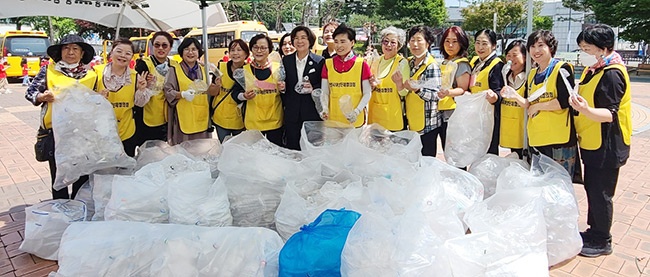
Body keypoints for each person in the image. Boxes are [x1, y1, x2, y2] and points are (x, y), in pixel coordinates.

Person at [570, 24, 631, 257]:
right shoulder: (595, 69)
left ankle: (603, 239)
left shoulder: (612, 74)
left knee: (601, 192)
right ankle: (593, 231)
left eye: (588, 47)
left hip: (608, 145)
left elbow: (609, 114)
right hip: (593, 141)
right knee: (593, 188)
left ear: (604, 48)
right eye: (582, 48)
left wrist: (585, 110)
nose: (584, 52)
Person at [25, 34, 97, 199]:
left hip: (82, 134)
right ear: (60, 52)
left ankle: (79, 207)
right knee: (58, 177)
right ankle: (61, 209)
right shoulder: (48, 71)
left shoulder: (91, 75)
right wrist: (42, 97)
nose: (70, 52)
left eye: (75, 48)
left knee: (82, 175)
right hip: (56, 134)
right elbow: (30, 93)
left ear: (82, 53)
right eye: (66, 48)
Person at [94, 38, 148, 157]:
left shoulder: (135, 76)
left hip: (126, 131)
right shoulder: (96, 73)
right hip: (101, 132)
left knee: (124, 170)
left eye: (128, 53)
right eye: (119, 51)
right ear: (111, 52)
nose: (123, 55)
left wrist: (142, 89)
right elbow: (85, 100)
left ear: (131, 57)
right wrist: (97, 98)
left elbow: (140, 103)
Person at [231, 34, 285, 146]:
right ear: (251, 50)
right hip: (253, 124)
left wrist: (283, 89)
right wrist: (244, 96)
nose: (259, 51)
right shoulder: (244, 71)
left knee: (275, 156)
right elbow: (235, 93)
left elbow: (287, 94)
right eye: (255, 47)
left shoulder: (278, 68)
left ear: (270, 50)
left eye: (263, 48)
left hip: (275, 122)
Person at [164, 37, 218, 145]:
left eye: (194, 49)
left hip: (202, 118)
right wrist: (182, 94)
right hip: (183, 119)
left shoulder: (205, 71)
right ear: (181, 52)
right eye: (187, 49)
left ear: (199, 52)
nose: (190, 52)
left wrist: (216, 84)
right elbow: (168, 91)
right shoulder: (174, 70)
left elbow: (211, 93)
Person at [399, 25, 443, 156]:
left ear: (428, 43)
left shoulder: (431, 66)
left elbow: (436, 95)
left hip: (428, 124)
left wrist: (417, 90)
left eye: (419, 40)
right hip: (413, 121)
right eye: (412, 40)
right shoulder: (409, 63)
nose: (415, 44)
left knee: (427, 161)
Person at [320, 25, 372, 128]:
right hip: (333, 120)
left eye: (343, 42)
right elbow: (325, 92)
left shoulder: (361, 64)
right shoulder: (328, 64)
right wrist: (325, 108)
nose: (339, 45)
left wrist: (357, 111)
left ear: (352, 43)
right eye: (336, 42)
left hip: (355, 122)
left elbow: (367, 93)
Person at [281, 26, 325, 150]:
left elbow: (324, 85)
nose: (299, 41)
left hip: (311, 111)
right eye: (296, 38)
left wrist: (314, 88)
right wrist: (282, 87)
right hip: (292, 112)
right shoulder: (286, 60)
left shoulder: (319, 61)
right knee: (293, 147)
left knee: (312, 147)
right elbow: (284, 83)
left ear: (310, 40)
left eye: (303, 38)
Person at [134, 31, 176, 146]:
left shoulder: (174, 65)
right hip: (147, 117)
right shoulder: (144, 64)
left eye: (164, 45)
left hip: (168, 117)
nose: (161, 48)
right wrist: (146, 85)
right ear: (152, 46)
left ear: (170, 47)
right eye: (157, 45)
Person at [366, 26, 409, 131]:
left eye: (393, 42)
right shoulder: (373, 61)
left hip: (392, 117)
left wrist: (399, 84)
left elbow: (404, 93)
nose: (388, 45)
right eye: (385, 41)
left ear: (399, 45)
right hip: (375, 115)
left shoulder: (402, 63)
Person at [469, 29, 504, 155]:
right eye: (477, 43)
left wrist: (494, 97)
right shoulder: (475, 62)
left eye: (484, 43)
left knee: (488, 152)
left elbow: (499, 92)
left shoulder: (496, 65)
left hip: (489, 117)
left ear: (493, 45)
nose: (480, 47)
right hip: (475, 115)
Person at [437, 26, 471, 150]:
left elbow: (462, 89)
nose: (450, 45)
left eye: (455, 41)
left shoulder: (461, 64)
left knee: (454, 152)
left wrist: (448, 92)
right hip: (440, 113)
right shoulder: (444, 62)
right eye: (447, 41)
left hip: (453, 114)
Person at [212, 39, 249, 142]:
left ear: (246, 53)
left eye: (239, 50)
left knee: (239, 149)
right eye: (232, 50)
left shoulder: (250, 70)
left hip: (241, 119)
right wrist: (216, 86)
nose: (235, 53)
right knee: (224, 148)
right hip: (221, 117)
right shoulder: (220, 67)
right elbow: (211, 92)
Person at [499, 40, 527, 158]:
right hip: (510, 131)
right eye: (508, 55)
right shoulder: (505, 77)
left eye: (515, 55)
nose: (510, 59)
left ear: (525, 57)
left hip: (524, 132)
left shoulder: (529, 78)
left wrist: (515, 96)